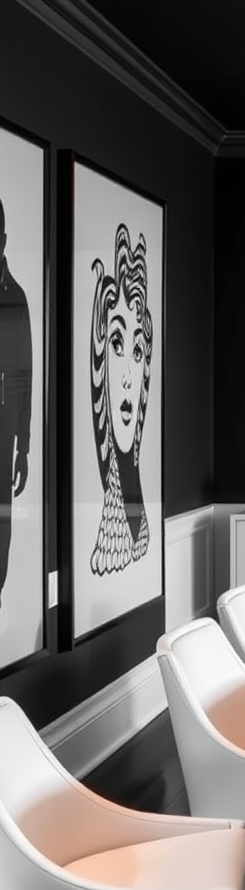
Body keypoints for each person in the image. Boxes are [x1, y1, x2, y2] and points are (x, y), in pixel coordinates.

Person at [89, 221, 153, 575]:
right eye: (117, 345)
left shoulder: (138, 517)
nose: (129, 377)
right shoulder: (108, 531)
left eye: (138, 352)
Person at [0, 197, 32, 609]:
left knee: (0, 516)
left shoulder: (16, 298)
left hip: (2, 431)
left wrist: (23, 447)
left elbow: (25, 379)